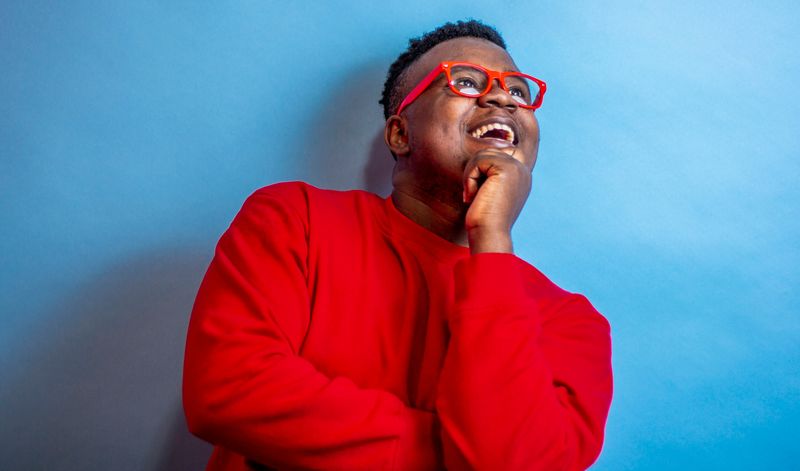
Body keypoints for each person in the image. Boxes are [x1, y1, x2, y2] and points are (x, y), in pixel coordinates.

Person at [183, 20, 613, 471]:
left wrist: (491, 239)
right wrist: (453, 457)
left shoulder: (572, 323)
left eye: (519, 91)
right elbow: (229, 391)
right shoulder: (295, 220)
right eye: (465, 81)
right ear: (399, 134)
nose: (503, 97)